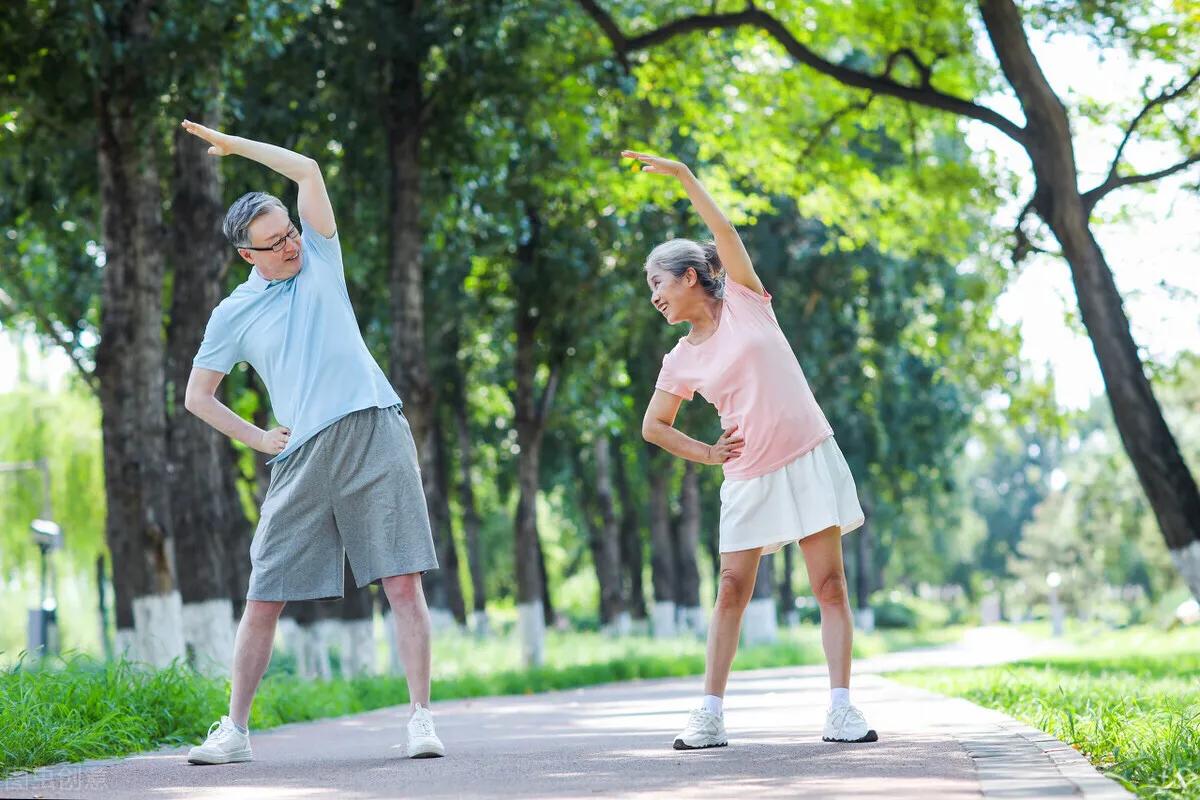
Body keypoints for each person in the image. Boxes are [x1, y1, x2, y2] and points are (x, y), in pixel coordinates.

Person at [179, 120, 445, 763]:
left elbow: (307, 171)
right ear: (248, 255)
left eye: (290, 232)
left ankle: (420, 719)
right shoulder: (232, 315)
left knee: (403, 583)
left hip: (374, 428)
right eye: (274, 243)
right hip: (299, 456)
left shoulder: (322, 257)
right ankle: (235, 731)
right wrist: (260, 440)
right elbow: (197, 397)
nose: (290, 245)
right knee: (263, 593)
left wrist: (237, 149)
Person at [625, 149, 877, 749]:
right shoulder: (680, 357)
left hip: (808, 455)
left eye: (657, 283)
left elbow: (723, 231)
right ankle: (709, 713)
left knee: (831, 587)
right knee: (732, 589)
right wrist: (710, 454)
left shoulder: (743, 297)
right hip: (748, 474)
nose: (653, 297)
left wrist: (686, 177)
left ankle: (841, 709)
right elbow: (654, 426)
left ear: (690, 276)